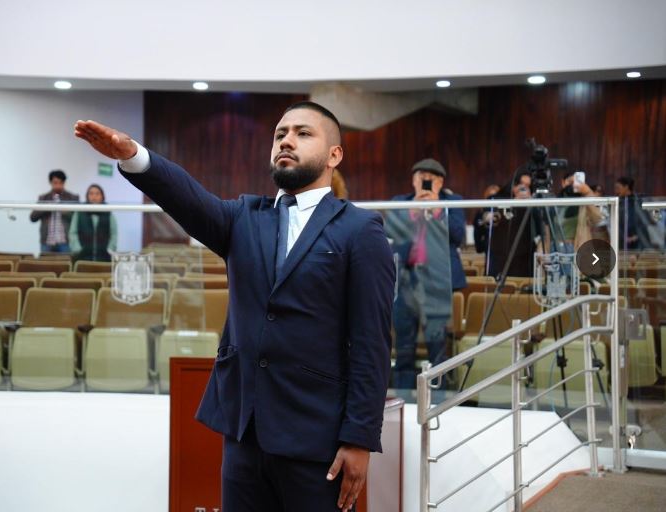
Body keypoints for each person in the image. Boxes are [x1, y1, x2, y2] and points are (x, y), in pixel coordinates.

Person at [74, 101, 395, 512]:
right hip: (244, 434)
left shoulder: (360, 229)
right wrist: (133, 156)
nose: (287, 141)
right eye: (280, 134)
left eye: (303, 133)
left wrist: (359, 438)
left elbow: (371, 343)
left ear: (334, 155)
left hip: (318, 439)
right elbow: (188, 199)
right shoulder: (245, 216)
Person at [384, 158, 465, 389]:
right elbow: (390, 232)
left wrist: (438, 210)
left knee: (437, 348)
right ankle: (404, 398)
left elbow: (458, 236)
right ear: (413, 181)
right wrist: (412, 212)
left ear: (441, 183)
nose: (426, 182)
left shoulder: (452, 202)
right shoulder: (400, 203)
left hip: (438, 282)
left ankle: (437, 400)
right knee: (404, 347)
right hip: (405, 281)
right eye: (422, 178)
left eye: (432, 179)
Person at [486, 172, 537, 278]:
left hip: (524, 257)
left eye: (527, 186)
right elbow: (490, 216)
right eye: (521, 185)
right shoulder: (499, 199)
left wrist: (531, 202)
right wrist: (514, 202)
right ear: (513, 185)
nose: (523, 189)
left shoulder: (534, 203)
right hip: (501, 255)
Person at [29, 169, 79, 253]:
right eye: (55, 183)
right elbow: (32, 218)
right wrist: (46, 207)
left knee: (66, 262)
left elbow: (77, 219)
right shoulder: (43, 198)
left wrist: (63, 210)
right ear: (50, 183)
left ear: (64, 183)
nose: (58, 186)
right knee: (45, 262)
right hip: (47, 242)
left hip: (65, 241)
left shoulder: (72, 198)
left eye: (60, 183)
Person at [69, 184, 118, 262]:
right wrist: (77, 248)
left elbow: (114, 233)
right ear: (87, 196)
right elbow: (73, 232)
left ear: (102, 196)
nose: (94, 196)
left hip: (104, 258)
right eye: (91, 193)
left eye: (97, 194)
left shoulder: (108, 212)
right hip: (82, 258)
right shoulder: (79, 212)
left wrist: (110, 249)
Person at [473, 184, 501, 253]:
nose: (493, 199)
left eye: (496, 196)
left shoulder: (504, 210)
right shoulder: (481, 212)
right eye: (490, 196)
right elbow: (477, 229)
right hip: (488, 246)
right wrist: (484, 220)